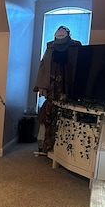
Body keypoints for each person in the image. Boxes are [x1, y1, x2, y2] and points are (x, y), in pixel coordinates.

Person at [33, 25, 82, 153]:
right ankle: (49, 145)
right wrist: (42, 87)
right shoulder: (50, 48)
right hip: (52, 89)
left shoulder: (75, 47)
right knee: (49, 114)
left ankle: (65, 149)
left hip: (70, 88)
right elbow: (44, 68)